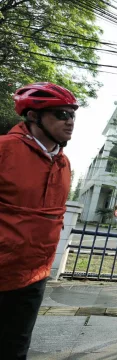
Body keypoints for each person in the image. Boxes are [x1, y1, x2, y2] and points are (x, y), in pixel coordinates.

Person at [0, 82, 78, 359]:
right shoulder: (4, 149)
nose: (70, 122)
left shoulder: (64, 163)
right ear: (33, 116)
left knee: (15, 347)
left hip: (34, 275)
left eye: (72, 115)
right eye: (61, 114)